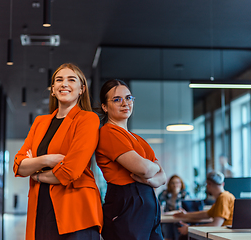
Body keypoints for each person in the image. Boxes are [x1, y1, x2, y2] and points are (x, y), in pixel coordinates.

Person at [13, 63, 103, 240]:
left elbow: (70, 171)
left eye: (71, 79)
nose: (64, 84)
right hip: (41, 206)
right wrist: (47, 160)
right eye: (59, 80)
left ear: (81, 89)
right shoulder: (40, 122)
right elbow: (19, 166)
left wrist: (36, 173)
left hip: (76, 209)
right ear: (53, 90)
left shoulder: (87, 119)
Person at [95, 79, 167, 240]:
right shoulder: (107, 133)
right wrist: (152, 168)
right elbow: (145, 169)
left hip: (148, 203)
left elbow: (162, 177)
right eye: (117, 99)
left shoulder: (137, 139)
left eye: (128, 98)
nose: (124, 103)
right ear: (104, 107)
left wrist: (150, 178)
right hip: (127, 204)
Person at [173, 171, 235, 239]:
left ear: (208, 185)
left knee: (183, 237)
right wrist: (186, 215)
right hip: (222, 234)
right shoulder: (224, 197)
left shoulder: (223, 198)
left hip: (224, 235)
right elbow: (206, 214)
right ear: (223, 184)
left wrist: (189, 229)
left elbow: (216, 224)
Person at [158, 175, 189, 240]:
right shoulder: (164, 193)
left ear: (181, 184)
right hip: (167, 220)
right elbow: (159, 205)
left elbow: (186, 209)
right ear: (169, 184)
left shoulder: (185, 194)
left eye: (177, 182)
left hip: (180, 220)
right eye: (173, 183)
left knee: (176, 225)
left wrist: (177, 193)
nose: (175, 185)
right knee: (168, 225)